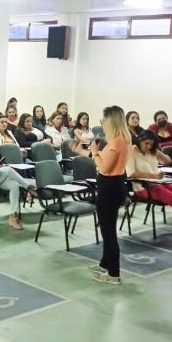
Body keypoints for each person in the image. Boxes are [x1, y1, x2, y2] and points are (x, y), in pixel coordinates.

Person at [71, 106, 131, 285]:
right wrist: (84, 152)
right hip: (114, 185)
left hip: (110, 188)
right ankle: (105, 264)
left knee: (108, 232)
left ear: (111, 121)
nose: (102, 123)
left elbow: (103, 167)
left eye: (104, 120)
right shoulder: (120, 140)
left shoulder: (117, 142)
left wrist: (95, 151)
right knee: (107, 228)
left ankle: (114, 273)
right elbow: (100, 158)